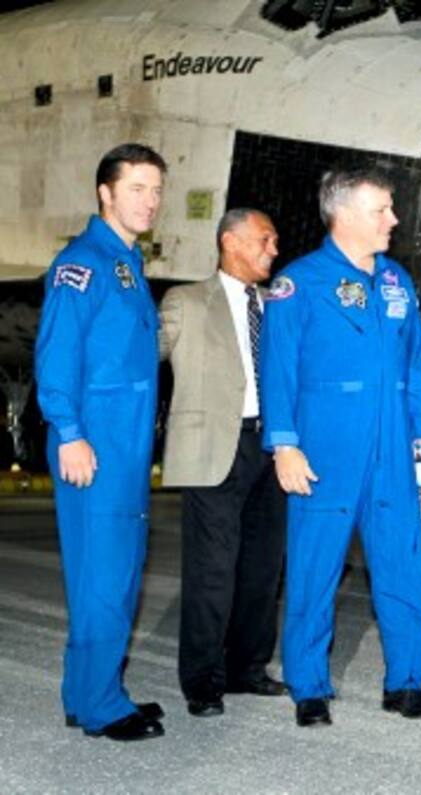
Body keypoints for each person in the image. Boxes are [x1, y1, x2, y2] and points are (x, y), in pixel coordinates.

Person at [260, 165, 421, 727]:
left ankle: (407, 680)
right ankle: (309, 684)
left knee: (403, 564)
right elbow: (278, 370)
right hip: (326, 447)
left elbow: (415, 363)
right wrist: (284, 445)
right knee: (315, 568)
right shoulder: (298, 283)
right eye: (381, 209)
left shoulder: (396, 282)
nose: (393, 218)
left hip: (392, 447)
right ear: (343, 214)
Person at [35, 143, 168, 741]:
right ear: (105, 194)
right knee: (105, 575)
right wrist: (69, 433)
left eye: (157, 189)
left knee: (112, 572)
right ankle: (101, 705)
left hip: (126, 443)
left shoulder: (126, 262)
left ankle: (87, 689)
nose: (150, 200)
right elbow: (56, 356)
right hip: (95, 443)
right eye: (136, 188)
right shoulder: (82, 263)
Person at [159, 209, 287, 718]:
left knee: (263, 569)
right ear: (231, 242)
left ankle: (247, 668)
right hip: (214, 446)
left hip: (271, 447)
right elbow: (138, 357)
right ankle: (203, 681)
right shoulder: (185, 301)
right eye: (265, 240)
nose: (274, 250)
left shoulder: (278, 307)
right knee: (212, 572)